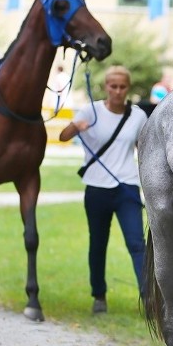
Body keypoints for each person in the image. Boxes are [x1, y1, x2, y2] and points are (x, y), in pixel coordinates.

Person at [58, 65, 148, 314]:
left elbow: (145, 148)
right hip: (97, 188)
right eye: (113, 86)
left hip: (126, 187)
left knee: (136, 243)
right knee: (98, 244)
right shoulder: (91, 110)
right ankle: (99, 296)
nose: (117, 91)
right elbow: (64, 137)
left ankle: (149, 297)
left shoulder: (138, 116)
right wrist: (77, 127)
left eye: (122, 87)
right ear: (106, 86)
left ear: (127, 88)